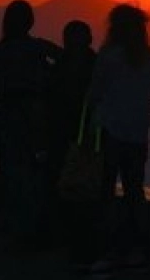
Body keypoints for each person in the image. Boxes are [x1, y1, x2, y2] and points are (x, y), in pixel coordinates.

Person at [0, 0, 61, 242]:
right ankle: (32, 224)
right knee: (35, 168)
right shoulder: (38, 47)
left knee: (10, 168)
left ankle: (12, 223)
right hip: (35, 116)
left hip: (8, 115)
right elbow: (66, 59)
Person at [87, 4, 150, 274]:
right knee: (134, 191)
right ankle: (137, 249)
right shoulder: (147, 57)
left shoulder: (109, 56)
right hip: (138, 134)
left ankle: (109, 250)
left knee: (105, 191)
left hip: (111, 132)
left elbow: (95, 91)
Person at [48, 20, 98, 267]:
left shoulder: (63, 64)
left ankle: (74, 238)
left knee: (72, 184)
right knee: (78, 185)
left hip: (75, 134)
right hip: (79, 134)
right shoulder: (93, 64)